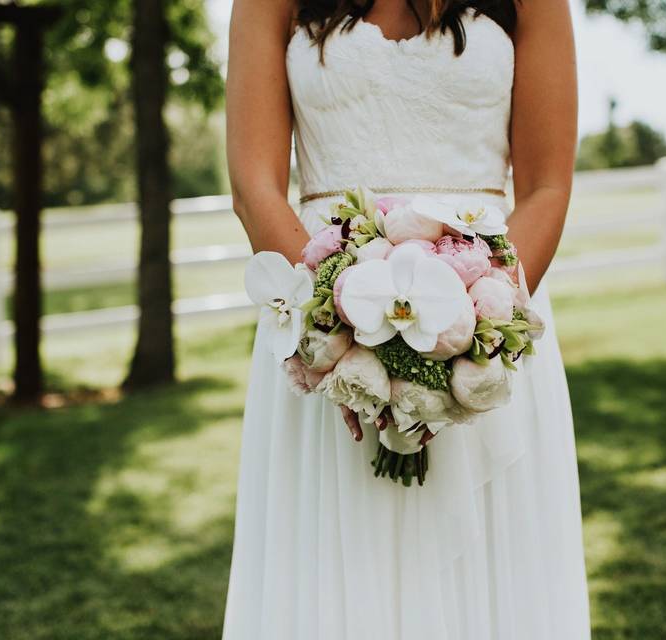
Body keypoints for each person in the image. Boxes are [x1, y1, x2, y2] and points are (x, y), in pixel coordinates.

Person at [222, 0, 589, 637]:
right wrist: (337, 326)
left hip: (490, 321)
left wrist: (470, 331)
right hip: (323, 329)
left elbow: (545, 187)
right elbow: (253, 182)